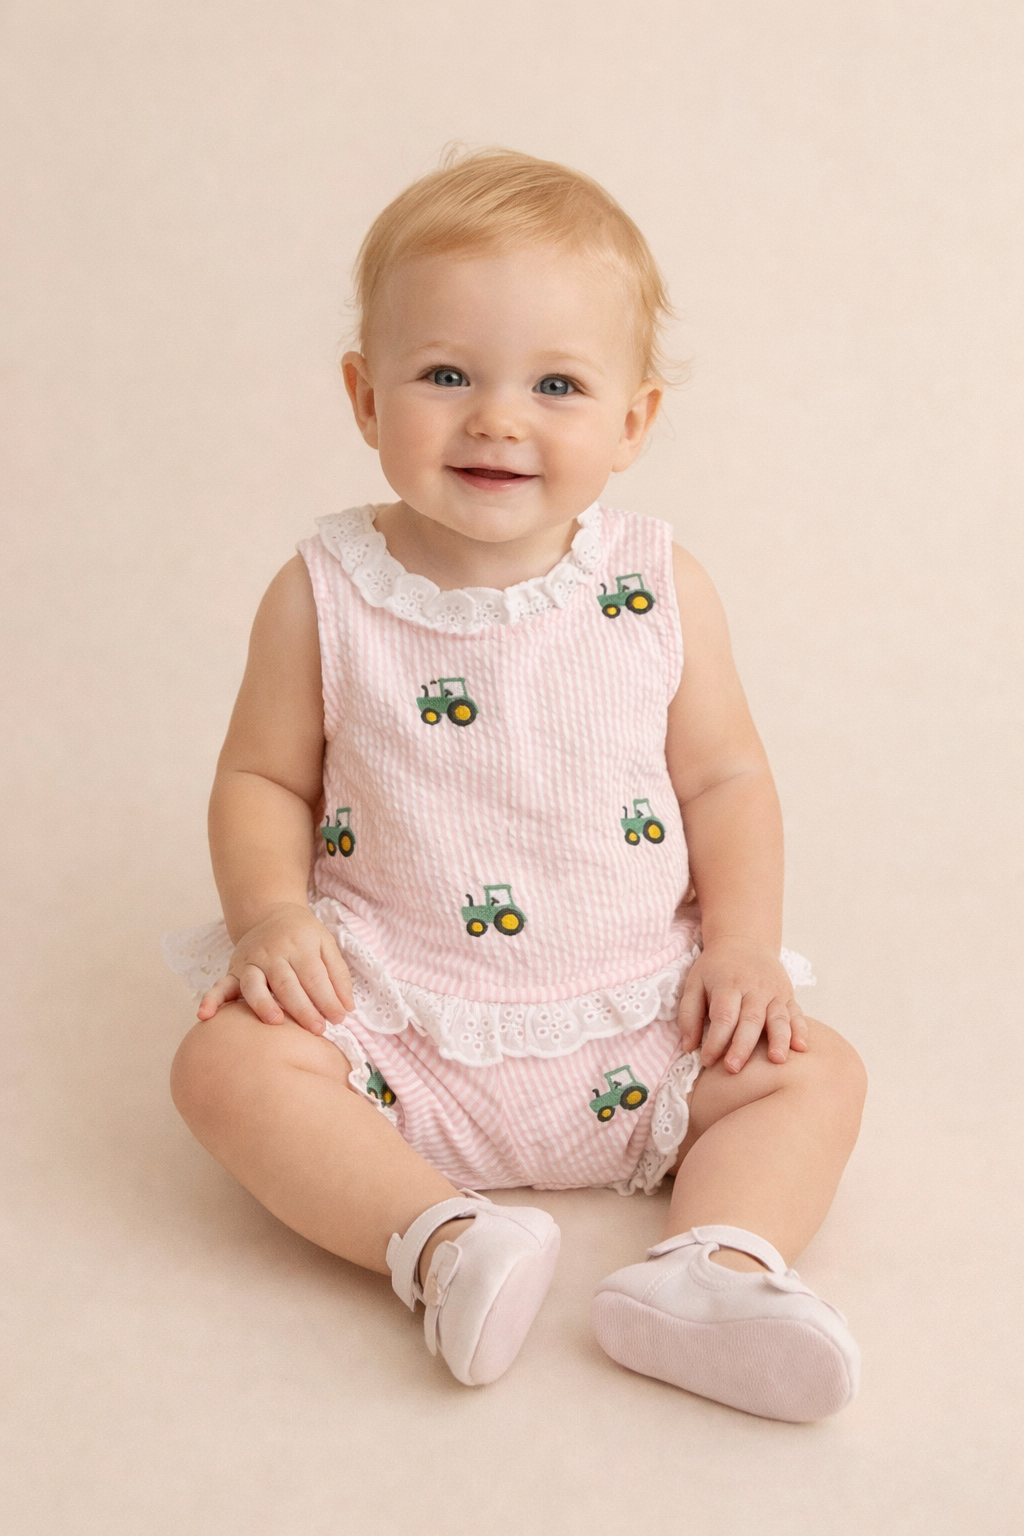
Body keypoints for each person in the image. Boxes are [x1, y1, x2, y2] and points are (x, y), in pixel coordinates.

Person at [167, 148, 867, 1421]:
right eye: (446, 375)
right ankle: (441, 1242)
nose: (497, 418)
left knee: (814, 1074)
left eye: (556, 384)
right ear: (364, 396)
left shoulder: (658, 584)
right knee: (222, 1068)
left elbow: (725, 780)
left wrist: (743, 947)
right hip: (391, 1024)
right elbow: (262, 777)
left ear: (632, 423)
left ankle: (711, 1272)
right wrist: (270, 918)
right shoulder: (323, 593)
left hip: (641, 1023)